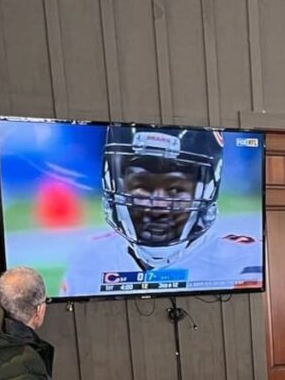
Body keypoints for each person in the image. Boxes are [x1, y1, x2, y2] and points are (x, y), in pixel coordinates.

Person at [60, 125, 263, 296]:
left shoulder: (247, 262)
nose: (157, 207)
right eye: (142, 187)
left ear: (207, 188)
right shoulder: (88, 259)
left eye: (175, 189)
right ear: (115, 183)